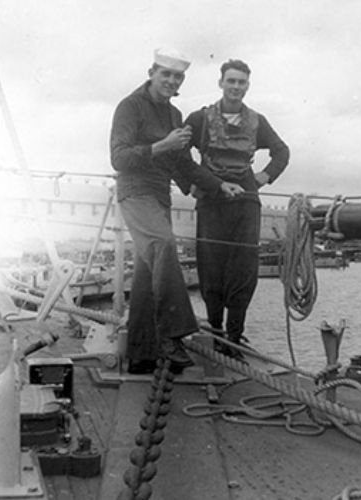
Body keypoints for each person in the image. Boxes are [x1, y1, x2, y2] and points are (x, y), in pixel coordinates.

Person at [110, 48, 244, 374]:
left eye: (178, 76)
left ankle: (142, 355)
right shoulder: (130, 106)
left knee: (146, 275)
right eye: (166, 74)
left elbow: (183, 164)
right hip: (135, 193)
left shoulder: (173, 114)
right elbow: (119, 158)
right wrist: (162, 146)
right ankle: (173, 334)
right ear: (152, 73)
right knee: (164, 244)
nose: (171, 81)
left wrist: (218, 185)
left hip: (160, 197)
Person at [184, 59, 289, 358]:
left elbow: (282, 152)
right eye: (231, 81)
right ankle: (217, 336)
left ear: (247, 86)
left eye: (241, 82)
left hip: (245, 202)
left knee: (243, 270)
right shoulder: (200, 119)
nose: (235, 87)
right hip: (211, 200)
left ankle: (234, 337)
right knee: (211, 267)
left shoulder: (257, 121)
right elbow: (177, 154)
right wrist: (191, 183)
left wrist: (263, 177)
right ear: (221, 83)